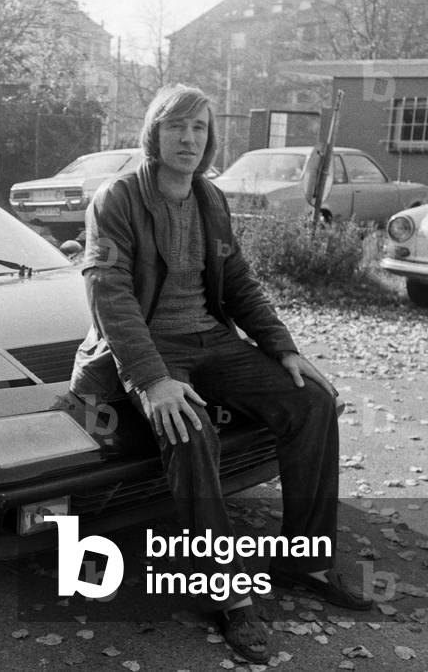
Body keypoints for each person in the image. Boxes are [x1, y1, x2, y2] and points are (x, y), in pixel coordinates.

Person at [68, 84, 371, 664]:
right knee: (190, 428)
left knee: (312, 401)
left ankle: (305, 559)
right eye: (176, 127)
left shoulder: (210, 199)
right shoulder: (117, 199)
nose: (188, 139)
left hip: (211, 340)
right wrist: (152, 380)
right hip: (147, 348)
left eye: (199, 129)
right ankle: (225, 593)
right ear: (153, 133)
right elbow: (108, 294)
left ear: (210, 139)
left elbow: (238, 283)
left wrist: (283, 348)